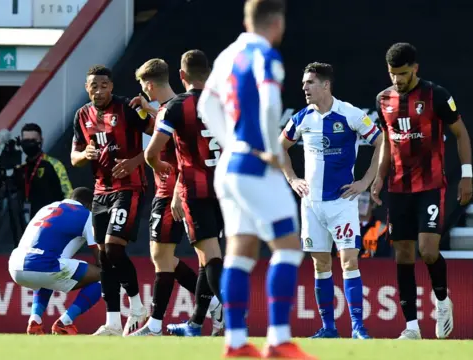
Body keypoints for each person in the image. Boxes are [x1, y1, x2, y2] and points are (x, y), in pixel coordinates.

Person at [198, 1, 315, 358]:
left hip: (229, 165)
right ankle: (278, 340)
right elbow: (267, 103)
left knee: (241, 252)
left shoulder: (228, 55)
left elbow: (206, 105)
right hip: (254, 165)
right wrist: (268, 148)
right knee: (288, 246)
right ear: (277, 22)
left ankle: (235, 342)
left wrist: (231, 143)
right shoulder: (266, 54)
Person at [371, 42, 473, 339]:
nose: (396, 80)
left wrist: (466, 176)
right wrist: (379, 177)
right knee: (403, 254)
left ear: (415, 68)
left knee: (428, 251)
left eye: (402, 73)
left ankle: (442, 303)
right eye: (392, 74)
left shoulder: (436, 95)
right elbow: (388, 144)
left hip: (430, 186)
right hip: (398, 188)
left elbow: (461, 133)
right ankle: (411, 327)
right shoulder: (383, 99)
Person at [280, 62, 382, 340]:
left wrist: (365, 182)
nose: (304, 88)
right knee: (320, 265)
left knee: (349, 261)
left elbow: (382, 142)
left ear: (326, 85)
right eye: (303, 83)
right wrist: (292, 179)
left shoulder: (350, 114)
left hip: (342, 203)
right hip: (311, 204)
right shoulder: (302, 118)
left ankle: (358, 327)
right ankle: (329, 328)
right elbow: (280, 147)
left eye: (310, 83)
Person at [128, 58, 223, 337]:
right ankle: (203, 314)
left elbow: (184, 157)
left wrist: (177, 191)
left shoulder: (174, 109)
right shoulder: (176, 108)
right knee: (190, 256)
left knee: (177, 256)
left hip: (179, 192)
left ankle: (164, 322)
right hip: (202, 189)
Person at [71, 65, 153, 336]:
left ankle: (138, 305)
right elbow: (74, 156)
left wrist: (135, 162)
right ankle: (113, 323)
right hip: (100, 191)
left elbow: (161, 136)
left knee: (113, 247)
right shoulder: (82, 115)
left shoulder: (127, 108)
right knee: (104, 257)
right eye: (93, 86)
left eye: (103, 85)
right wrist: (87, 155)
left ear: (112, 87)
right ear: (87, 88)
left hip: (129, 187)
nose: (98, 90)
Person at [8, 187, 101, 335]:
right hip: (43, 264)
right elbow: (99, 255)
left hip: (15, 264)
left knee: (50, 274)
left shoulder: (46, 208)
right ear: (90, 205)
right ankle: (65, 322)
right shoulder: (87, 215)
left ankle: (35, 320)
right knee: (107, 275)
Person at [0, 123, 73, 218]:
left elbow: (69, 195)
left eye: (33, 140)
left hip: (54, 223)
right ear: (21, 142)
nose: (30, 144)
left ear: (41, 141)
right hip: (32, 226)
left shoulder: (54, 164)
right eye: (26, 140)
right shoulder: (22, 170)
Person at [357, 191, 390, 259]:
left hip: (373, 266)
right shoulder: (347, 227)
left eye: (364, 201)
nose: (360, 204)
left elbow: (384, 256)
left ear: (373, 205)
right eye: (358, 201)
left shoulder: (381, 228)